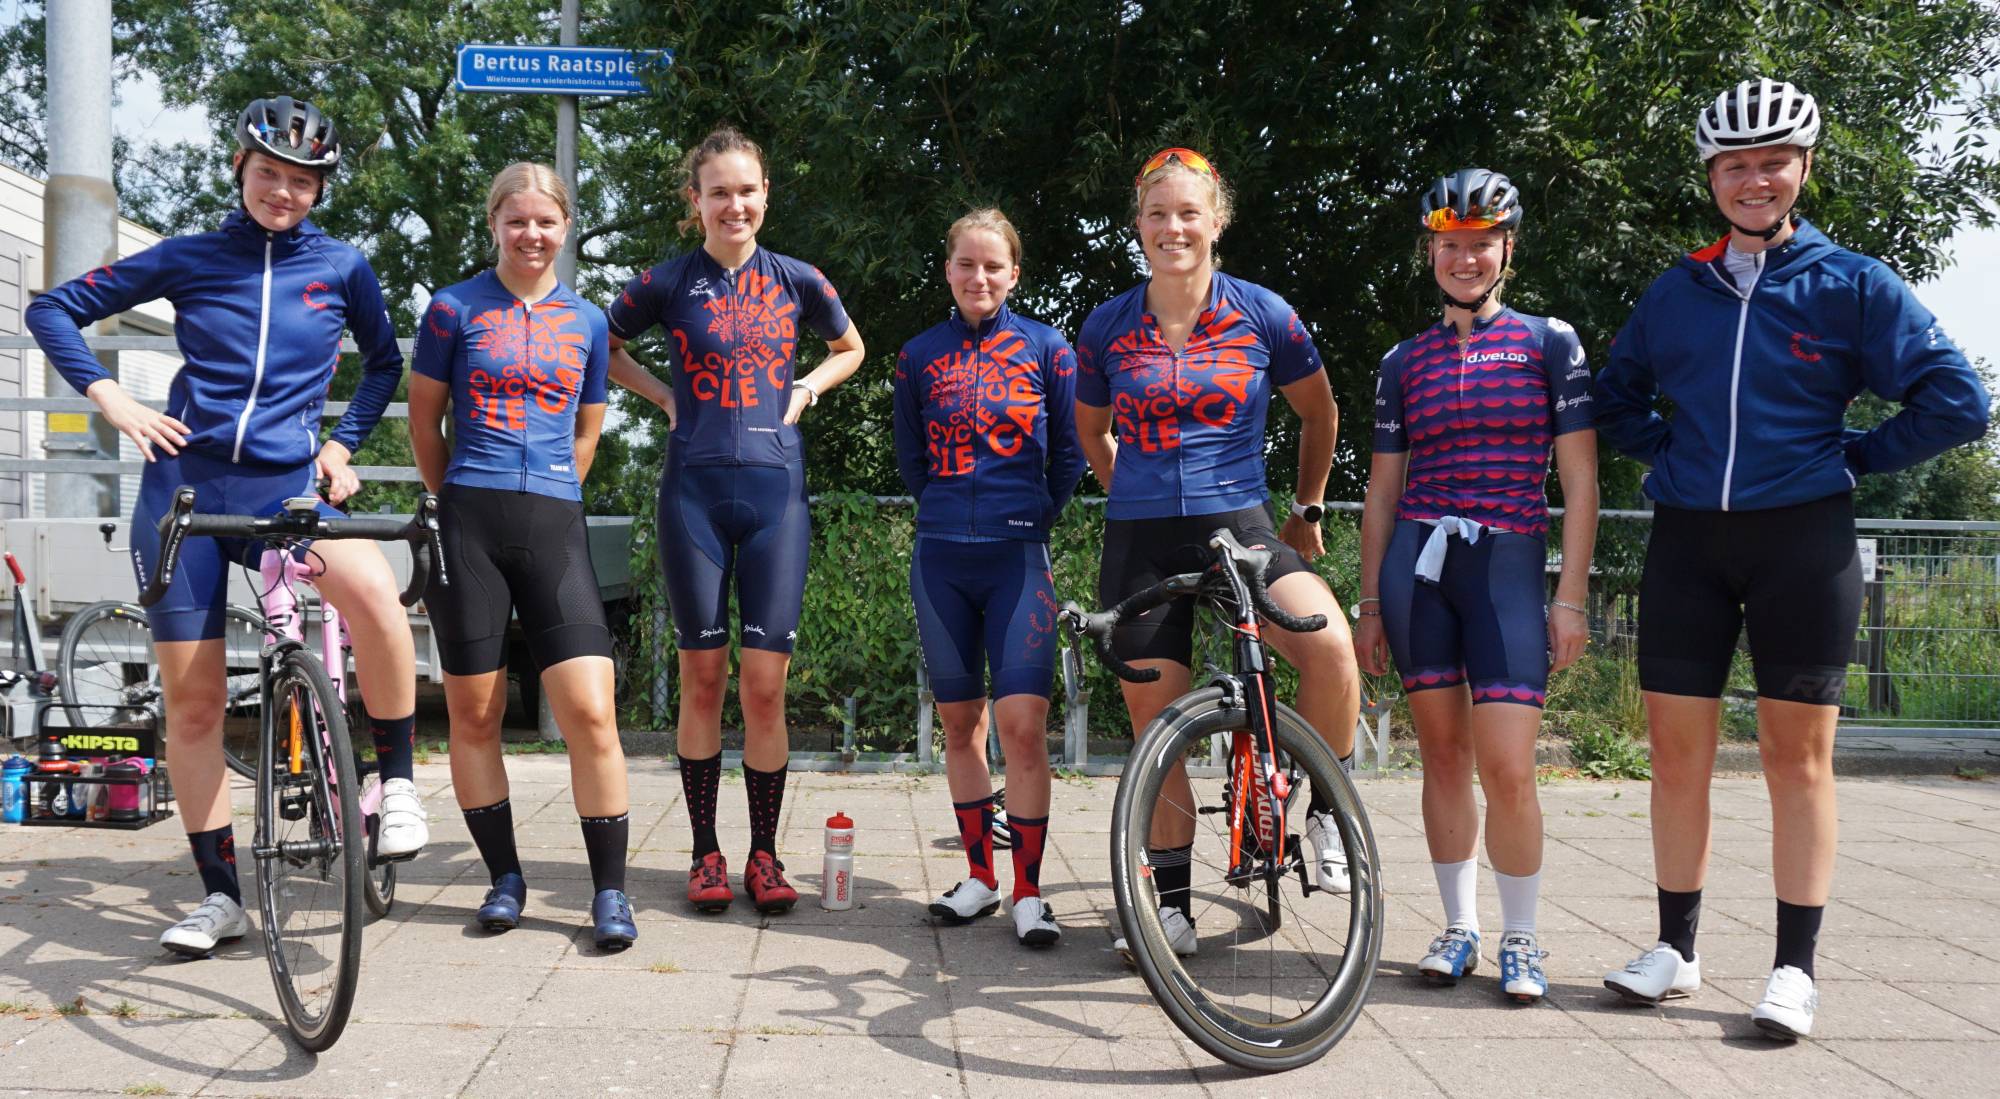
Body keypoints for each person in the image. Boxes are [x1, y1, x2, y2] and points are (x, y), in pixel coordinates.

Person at [1593, 78, 1990, 1038]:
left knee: (1795, 760)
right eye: (1735, 163)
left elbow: (1959, 401)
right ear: (1712, 178)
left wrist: (1851, 456)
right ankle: (1677, 950)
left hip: (1804, 542)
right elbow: (1613, 399)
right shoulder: (1674, 290)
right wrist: (1675, 456)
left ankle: (1793, 969)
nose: (1754, 178)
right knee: (1676, 756)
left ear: (1803, 168)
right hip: (1689, 539)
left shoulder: (1853, 283)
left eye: (1773, 160)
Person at [25, 96, 424, 954]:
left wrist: (343, 444)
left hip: (285, 493)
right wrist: (111, 395)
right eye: (269, 173)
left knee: (375, 592)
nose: (284, 191)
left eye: (302, 180)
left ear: (320, 189)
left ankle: (396, 789)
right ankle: (221, 896)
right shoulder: (192, 258)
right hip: (184, 495)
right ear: (240, 171)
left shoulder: (344, 268)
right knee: (196, 702)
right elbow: (50, 309)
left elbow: (386, 361)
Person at [1074, 147, 1363, 957]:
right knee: (1158, 725)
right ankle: (1169, 906)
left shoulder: (1264, 311)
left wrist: (1306, 509)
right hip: (1141, 533)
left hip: (1239, 523)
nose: (1173, 227)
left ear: (1216, 221)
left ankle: (1324, 811)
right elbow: (1092, 430)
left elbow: (1321, 412)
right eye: (1158, 214)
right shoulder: (1106, 323)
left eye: (1188, 213)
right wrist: (1126, 487)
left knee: (1331, 649)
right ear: (1138, 226)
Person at [605, 126, 865, 914]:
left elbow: (850, 347)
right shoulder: (667, 281)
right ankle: (705, 852)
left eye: (747, 190)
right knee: (702, 678)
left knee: (763, 687)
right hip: (693, 497)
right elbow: (604, 344)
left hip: (776, 499)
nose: (734, 205)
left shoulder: (798, 279)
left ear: (765, 195)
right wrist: (662, 395)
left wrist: (810, 389)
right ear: (696, 202)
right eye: (718, 191)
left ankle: (764, 854)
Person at [1354, 169, 1599, 1003]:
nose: (1464, 256)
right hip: (1419, 565)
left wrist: (1569, 597)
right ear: (1431, 250)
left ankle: (1520, 938)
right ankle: (1459, 927)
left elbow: (1580, 481)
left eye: (1480, 241)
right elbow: (1383, 492)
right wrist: (1369, 606)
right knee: (1444, 759)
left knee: (1509, 767)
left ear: (1507, 247)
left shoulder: (1549, 341)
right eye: (1449, 242)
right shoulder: (1403, 359)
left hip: (1505, 562)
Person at [407, 163, 634, 949]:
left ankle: (610, 890)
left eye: (545, 222)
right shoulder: (450, 310)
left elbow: (589, 430)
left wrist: (548, 494)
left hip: (554, 525)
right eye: (516, 221)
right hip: (468, 517)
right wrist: (461, 499)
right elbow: (424, 424)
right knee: (475, 713)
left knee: (591, 713)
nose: (531, 235)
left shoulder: (590, 322)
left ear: (566, 227)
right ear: (495, 224)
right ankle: (504, 877)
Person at [893, 208, 1085, 947]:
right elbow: (912, 461)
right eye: (966, 265)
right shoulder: (917, 356)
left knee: (1022, 726)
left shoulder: (1048, 349)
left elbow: (1068, 452)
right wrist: (943, 509)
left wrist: (1032, 514)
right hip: (940, 557)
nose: (979, 278)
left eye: (993, 266)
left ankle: (1031, 892)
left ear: (1014, 273)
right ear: (948, 270)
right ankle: (980, 877)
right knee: (959, 724)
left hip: (1017, 557)